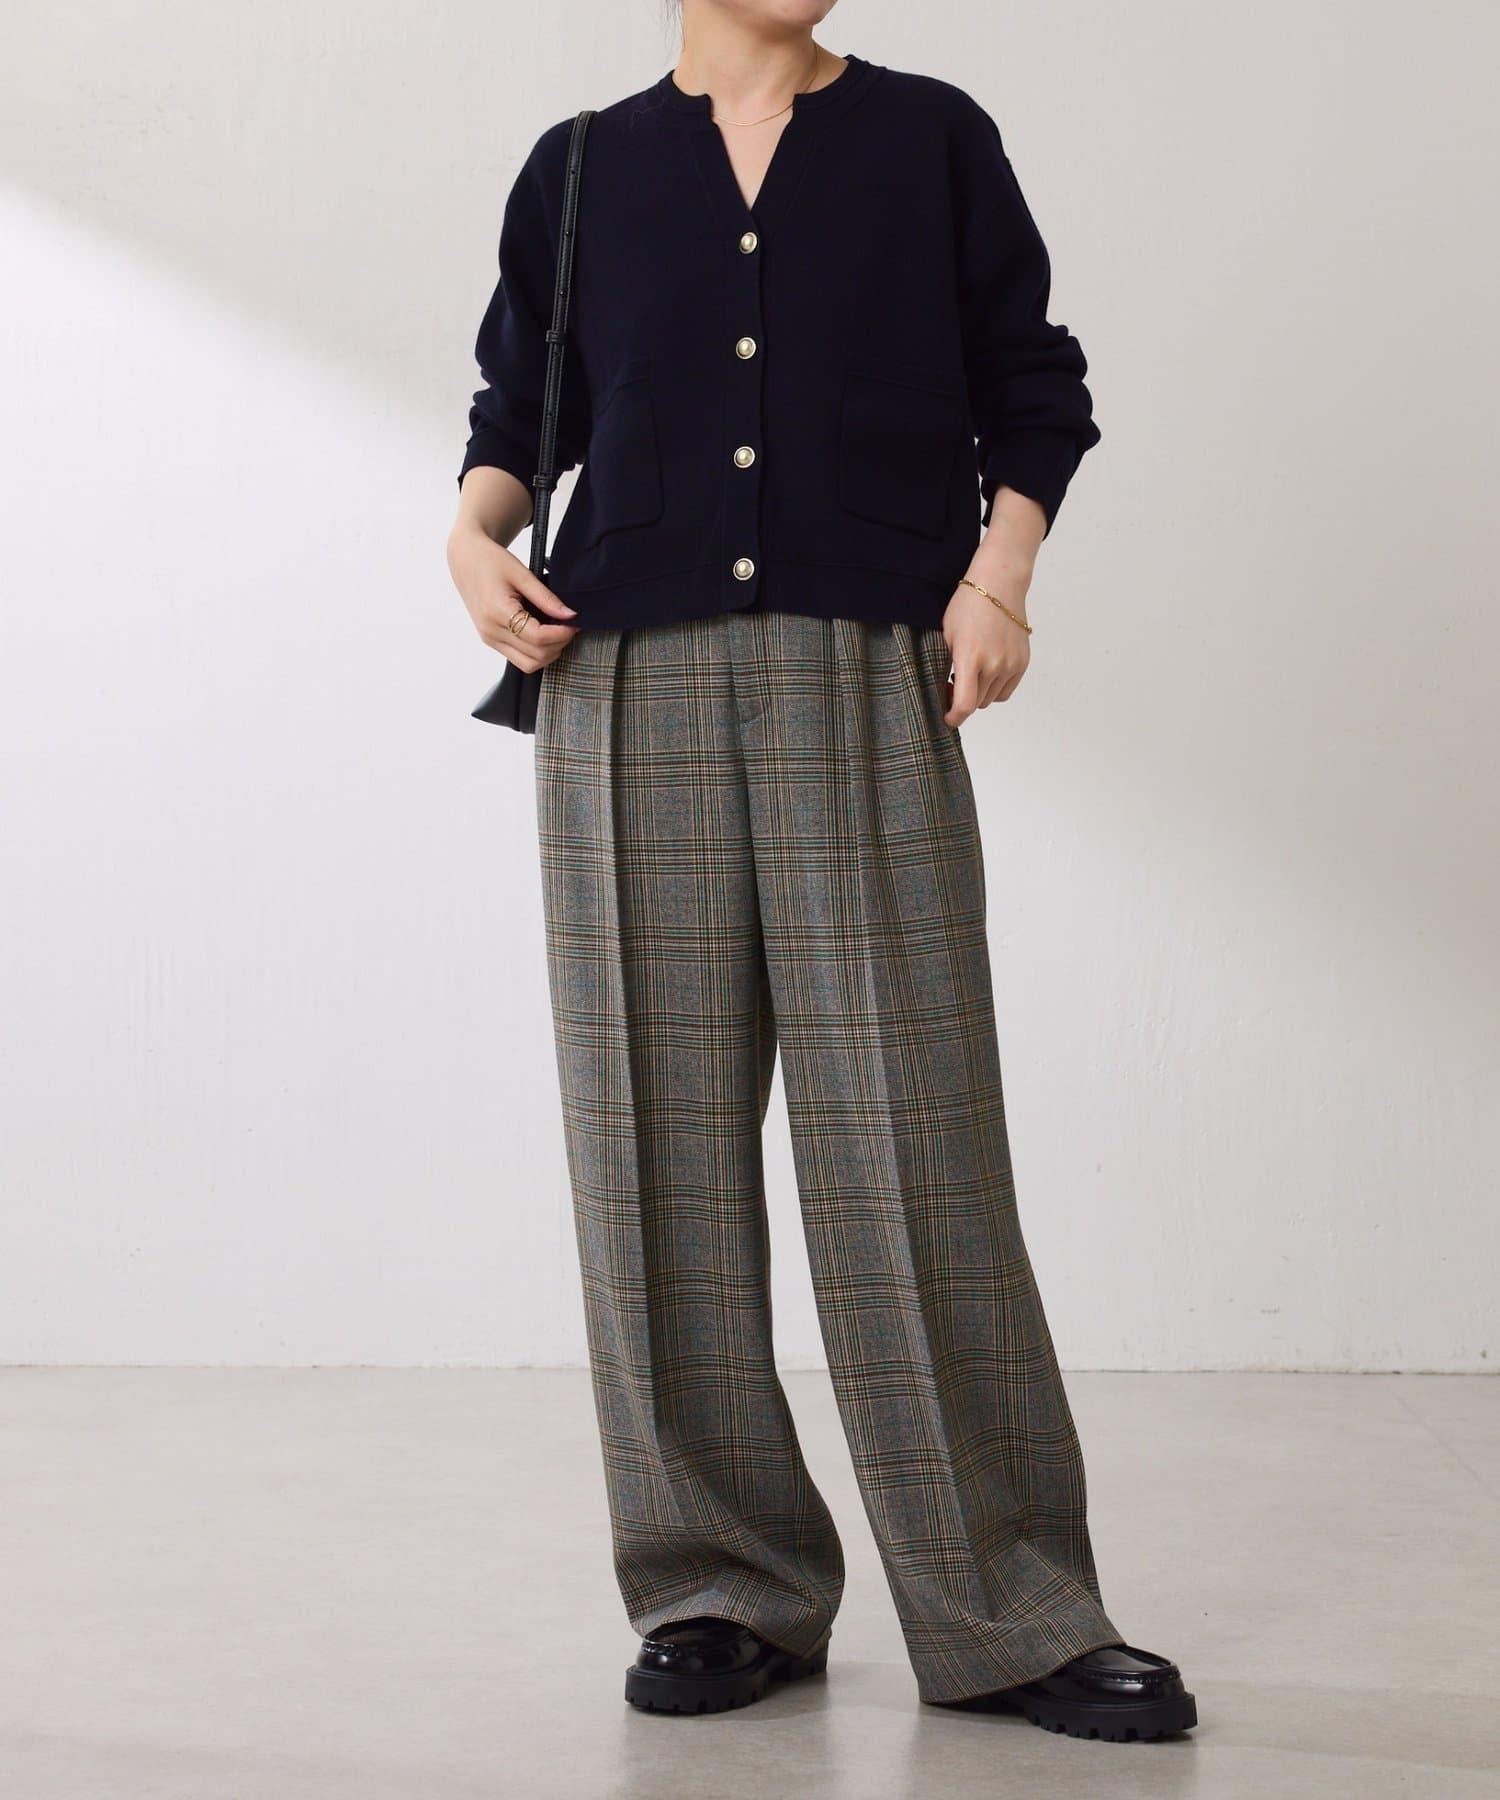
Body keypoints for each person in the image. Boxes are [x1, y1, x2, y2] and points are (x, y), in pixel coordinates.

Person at [446, 0, 1197, 1745]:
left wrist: (998, 579)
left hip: (867, 671)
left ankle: (1008, 1604)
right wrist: (472, 541)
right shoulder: (582, 169)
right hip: (619, 686)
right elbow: (520, 408)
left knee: (914, 1136)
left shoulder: (930, 140)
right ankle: (720, 1584)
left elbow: (1036, 390)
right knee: (653, 1149)